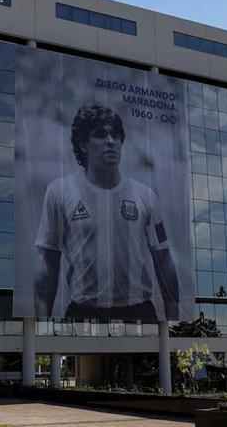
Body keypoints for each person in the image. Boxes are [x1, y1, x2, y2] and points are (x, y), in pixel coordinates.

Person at [33, 103, 180, 322]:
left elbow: (163, 259)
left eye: (116, 136)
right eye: (100, 135)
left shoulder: (145, 196)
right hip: (83, 312)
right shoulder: (60, 191)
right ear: (83, 144)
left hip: (138, 312)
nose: (111, 142)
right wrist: (41, 326)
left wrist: (174, 322)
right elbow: (48, 262)